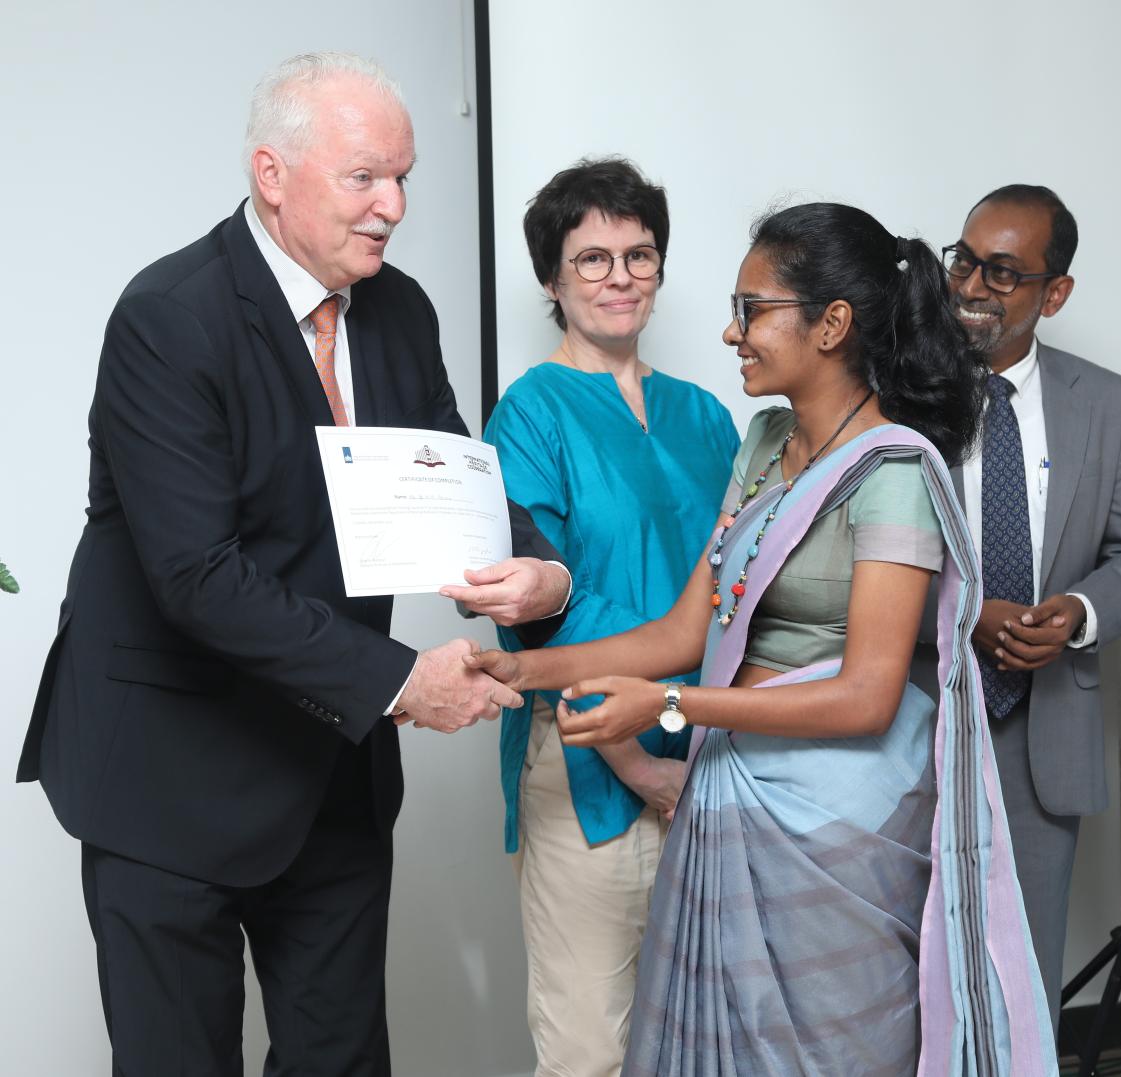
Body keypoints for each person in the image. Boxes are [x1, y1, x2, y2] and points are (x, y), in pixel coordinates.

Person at [15, 53, 572, 1077]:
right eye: (365, 178)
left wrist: (540, 573)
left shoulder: (397, 308)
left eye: (403, 177)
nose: (393, 205)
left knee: (342, 1062)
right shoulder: (168, 316)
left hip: (328, 776)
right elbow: (197, 576)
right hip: (166, 774)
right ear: (273, 173)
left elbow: (450, 472)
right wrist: (404, 682)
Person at [475, 202, 1057, 1075]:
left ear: (831, 325)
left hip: (842, 824)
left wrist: (666, 704)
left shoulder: (894, 471)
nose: (730, 331)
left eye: (752, 310)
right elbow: (683, 629)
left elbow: (868, 694)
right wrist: (515, 668)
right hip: (737, 792)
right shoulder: (764, 441)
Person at [461, 157, 738, 1075]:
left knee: (707, 1037)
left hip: (711, 756)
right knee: (591, 1049)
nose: (620, 276)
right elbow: (530, 615)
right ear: (552, 278)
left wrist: (693, 758)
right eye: (593, 258)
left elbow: (739, 587)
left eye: (640, 254)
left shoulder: (706, 416)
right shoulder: (529, 414)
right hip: (586, 762)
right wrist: (629, 759)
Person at [909, 185, 1121, 1026]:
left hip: (1044, 734)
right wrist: (963, 614)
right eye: (963, 261)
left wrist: (1080, 614)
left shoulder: (1108, 401)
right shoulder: (897, 390)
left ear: (1054, 294)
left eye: (1002, 272)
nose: (971, 288)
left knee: (1022, 977)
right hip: (910, 717)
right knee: (903, 973)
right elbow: (851, 557)